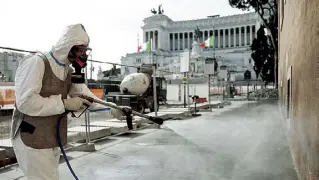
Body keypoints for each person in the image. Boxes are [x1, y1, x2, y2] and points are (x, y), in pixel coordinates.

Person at [10, 24, 129, 180]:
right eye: (80, 50)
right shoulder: (37, 62)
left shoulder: (68, 70)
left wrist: (113, 109)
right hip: (30, 136)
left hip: (51, 136)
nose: (83, 55)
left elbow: (86, 97)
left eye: (85, 51)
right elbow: (26, 102)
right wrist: (64, 104)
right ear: (68, 45)